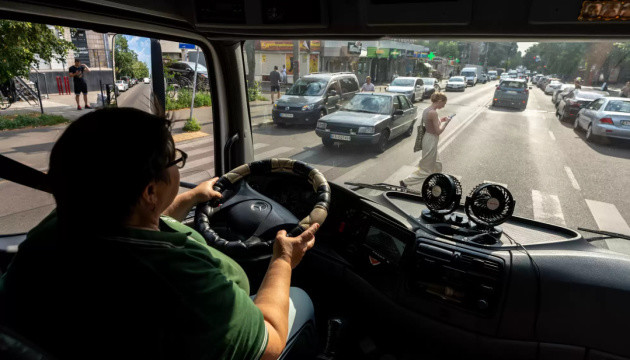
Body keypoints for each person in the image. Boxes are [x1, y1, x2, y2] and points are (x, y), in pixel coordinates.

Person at [0, 108, 318, 360]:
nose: (178, 169)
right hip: (217, 326)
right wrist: (283, 260)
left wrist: (190, 198)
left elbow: (135, 223)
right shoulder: (181, 281)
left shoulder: (61, 226)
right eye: (174, 160)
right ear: (150, 191)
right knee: (300, 299)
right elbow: (272, 341)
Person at [400, 92, 451, 188]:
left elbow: (431, 123)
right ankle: (405, 182)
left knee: (437, 164)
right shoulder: (433, 113)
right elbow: (438, 131)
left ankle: (436, 183)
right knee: (426, 170)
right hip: (431, 140)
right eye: (443, 104)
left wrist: (441, 120)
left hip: (429, 138)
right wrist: (447, 123)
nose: (443, 106)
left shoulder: (428, 110)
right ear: (439, 101)